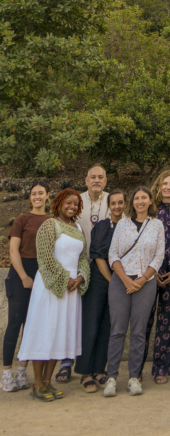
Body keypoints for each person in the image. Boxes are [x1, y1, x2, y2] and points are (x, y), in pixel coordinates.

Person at [18, 188, 89, 403]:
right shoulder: (49, 224)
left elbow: (83, 257)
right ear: (59, 203)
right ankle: (37, 384)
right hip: (50, 287)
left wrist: (81, 277)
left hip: (71, 290)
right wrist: (64, 278)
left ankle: (48, 381)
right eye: (68, 202)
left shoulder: (77, 228)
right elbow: (45, 256)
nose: (72, 206)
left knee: (60, 334)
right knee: (44, 332)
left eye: (76, 204)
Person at [104, 186, 165, 397]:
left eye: (144, 198)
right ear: (133, 202)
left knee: (139, 332)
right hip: (121, 281)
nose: (140, 201)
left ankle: (133, 378)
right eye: (136, 198)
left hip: (145, 283)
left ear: (150, 201)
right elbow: (113, 254)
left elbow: (159, 256)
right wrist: (126, 281)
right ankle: (111, 377)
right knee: (117, 330)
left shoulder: (157, 225)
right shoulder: (122, 223)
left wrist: (142, 280)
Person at [54, 163, 110, 385]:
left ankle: (97, 367)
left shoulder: (112, 201)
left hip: (102, 268)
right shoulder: (77, 201)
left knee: (95, 321)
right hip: (75, 267)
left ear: (105, 181)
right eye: (92, 177)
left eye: (100, 177)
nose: (96, 180)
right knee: (72, 317)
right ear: (86, 181)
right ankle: (66, 363)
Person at [76, 189, 126, 392]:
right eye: (113, 203)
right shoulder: (102, 227)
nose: (117, 206)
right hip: (100, 279)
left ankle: (99, 369)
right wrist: (114, 280)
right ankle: (86, 372)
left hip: (118, 281)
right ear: (108, 206)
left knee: (108, 325)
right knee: (91, 324)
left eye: (120, 202)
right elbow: (98, 256)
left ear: (125, 204)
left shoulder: (128, 226)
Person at [2, 181, 50, 393]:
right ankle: (6, 373)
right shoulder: (22, 219)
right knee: (14, 324)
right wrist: (24, 277)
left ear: (48, 196)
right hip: (21, 273)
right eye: (33, 194)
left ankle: (22, 370)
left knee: (32, 326)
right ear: (30, 197)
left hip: (43, 275)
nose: (37, 196)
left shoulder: (52, 221)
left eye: (41, 193)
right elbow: (13, 251)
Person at [141, 171, 170, 385]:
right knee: (144, 322)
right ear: (159, 185)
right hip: (149, 273)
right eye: (165, 183)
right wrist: (151, 271)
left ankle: (161, 367)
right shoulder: (150, 210)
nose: (168, 187)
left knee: (166, 323)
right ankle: (137, 366)